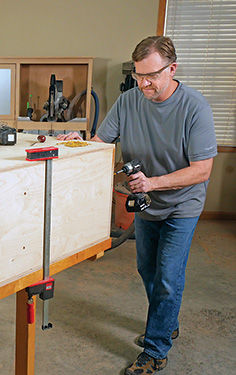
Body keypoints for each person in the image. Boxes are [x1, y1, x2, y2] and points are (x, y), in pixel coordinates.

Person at [58, 36, 217, 374]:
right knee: (148, 270)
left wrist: (154, 183)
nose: (144, 83)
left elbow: (202, 170)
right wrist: (81, 142)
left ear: (172, 69)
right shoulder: (129, 101)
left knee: (168, 278)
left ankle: (156, 349)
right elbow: (101, 141)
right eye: (138, 75)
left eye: (152, 76)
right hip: (146, 203)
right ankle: (166, 318)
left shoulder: (195, 107)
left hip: (181, 204)